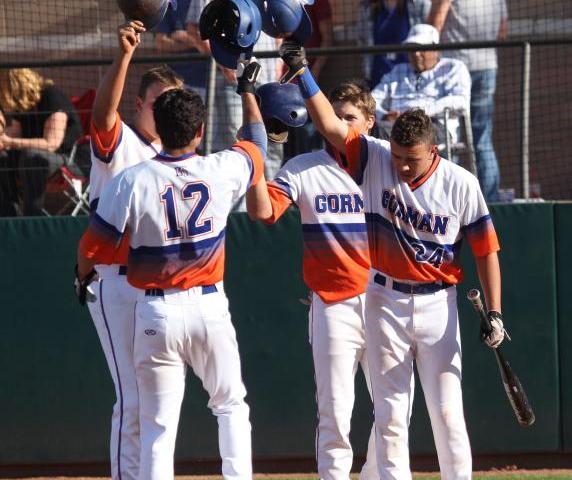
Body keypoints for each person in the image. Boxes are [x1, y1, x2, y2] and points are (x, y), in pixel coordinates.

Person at [279, 41, 507, 479]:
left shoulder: (461, 184)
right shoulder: (375, 158)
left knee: (446, 413)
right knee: (390, 418)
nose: (402, 167)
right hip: (383, 299)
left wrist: (495, 313)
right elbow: (328, 124)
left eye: (412, 160)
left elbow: (487, 251)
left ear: (433, 151)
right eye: (398, 157)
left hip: (439, 304)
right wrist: (303, 71)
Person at [76, 57, 268, 480]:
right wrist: (248, 94)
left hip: (154, 309)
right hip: (208, 305)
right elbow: (257, 144)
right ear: (200, 131)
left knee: (158, 427)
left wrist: (82, 273)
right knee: (231, 405)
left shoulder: (133, 180)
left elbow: (92, 245)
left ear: (159, 127)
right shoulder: (221, 167)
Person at [249, 80, 378, 480]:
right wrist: (255, 153)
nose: (338, 123)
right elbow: (264, 212)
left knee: (395, 411)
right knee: (334, 414)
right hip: (333, 304)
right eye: (334, 116)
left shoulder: (386, 164)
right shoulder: (302, 167)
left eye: (349, 118)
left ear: (369, 124)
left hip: (385, 303)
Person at [83, 20, 183, 480]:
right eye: (157, 101)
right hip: (117, 283)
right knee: (134, 398)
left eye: (171, 102)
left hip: (158, 290)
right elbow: (103, 115)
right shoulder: (121, 141)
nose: (163, 109)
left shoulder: (179, 155)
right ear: (140, 104)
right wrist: (123, 56)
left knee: (157, 397)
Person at [186, 0, 284, 203]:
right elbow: (194, 30)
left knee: (274, 141)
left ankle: (271, 200)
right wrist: (224, 64)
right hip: (234, 81)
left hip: (269, 78)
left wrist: (280, 62)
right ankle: (239, 209)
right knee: (239, 140)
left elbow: (280, 27)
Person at [428, 0, 509, 201]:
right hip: (487, 66)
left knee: (448, 133)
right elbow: (502, 32)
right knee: (481, 139)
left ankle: (447, 199)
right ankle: (491, 202)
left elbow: (433, 27)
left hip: (454, 69)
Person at [371, 23, 471, 150]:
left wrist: (419, 113)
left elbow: (460, 100)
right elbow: (372, 100)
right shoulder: (397, 70)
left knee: (390, 133)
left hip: (434, 125)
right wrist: (384, 115)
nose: (416, 53)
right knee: (372, 129)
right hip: (395, 125)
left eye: (422, 48)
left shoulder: (453, 68)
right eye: (412, 48)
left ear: (436, 48)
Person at [0, 68, 82, 215]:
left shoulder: (51, 96)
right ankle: (9, 216)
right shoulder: (23, 105)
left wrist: (10, 142)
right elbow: (13, 135)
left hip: (66, 158)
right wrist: (4, 139)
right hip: (31, 157)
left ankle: (32, 217)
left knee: (32, 157)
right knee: (3, 158)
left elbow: (52, 143)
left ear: (16, 88)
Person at [363, 0, 431, 87]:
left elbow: (427, 37)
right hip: (379, 75)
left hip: (408, 77)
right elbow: (363, 39)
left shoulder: (419, 4)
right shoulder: (368, 7)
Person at [154, 0, 208, 98]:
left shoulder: (206, 2)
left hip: (209, 80)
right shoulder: (170, 3)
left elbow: (215, 39)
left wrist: (185, 37)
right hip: (178, 82)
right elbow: (161, 43)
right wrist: (197, 42)